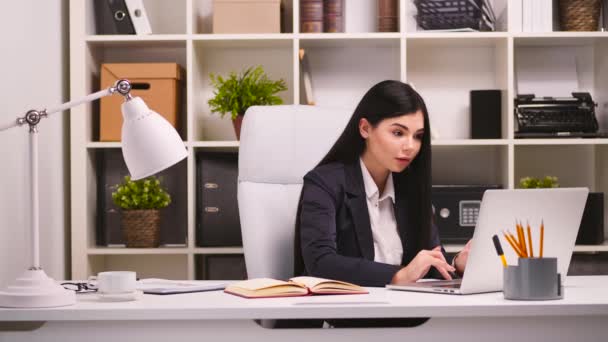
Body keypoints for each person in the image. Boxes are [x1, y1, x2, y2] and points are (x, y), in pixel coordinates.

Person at [294, 80, 472, 287]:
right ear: (365, 128)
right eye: (398, 133)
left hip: (405, 312)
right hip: (344, 312)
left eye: (418, 136)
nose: (410, 146)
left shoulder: (410, 186)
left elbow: (428, 262)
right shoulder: (324, 183)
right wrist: (398, 276)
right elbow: (320, 262)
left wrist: (457, 264)